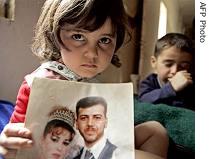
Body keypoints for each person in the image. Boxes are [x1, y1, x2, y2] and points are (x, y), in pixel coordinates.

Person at [0, 0, 168, 159]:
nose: (92, 54)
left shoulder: (92, 83)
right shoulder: (40, 83)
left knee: (155, 130)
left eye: (104, 40)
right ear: (54, 34)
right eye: (78, 37)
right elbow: (17, 138)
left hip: (96, 144)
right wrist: (10, 144)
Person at [138, 33, 195, 110]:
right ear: (154, 62)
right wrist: (171, 88)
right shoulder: (149, 82)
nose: (174, 71)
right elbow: (143, 101)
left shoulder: (191, 85)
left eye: (183, 66)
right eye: (168, 64)